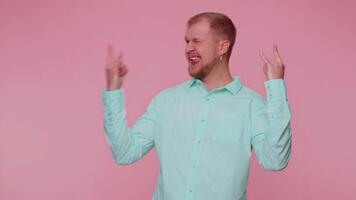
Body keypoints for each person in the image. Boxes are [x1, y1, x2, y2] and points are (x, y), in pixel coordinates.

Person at [101, 12, 292, 200]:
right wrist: (113, 91)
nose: (188, 48)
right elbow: (124, 153)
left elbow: (275, 160)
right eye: (186, 41)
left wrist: (276, 87)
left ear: (222, 46)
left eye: (197, 41)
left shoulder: (252, 105)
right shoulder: (166, 100)